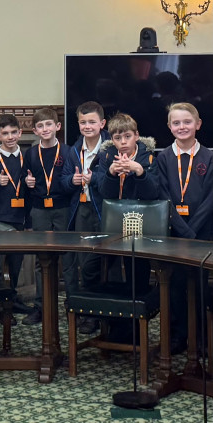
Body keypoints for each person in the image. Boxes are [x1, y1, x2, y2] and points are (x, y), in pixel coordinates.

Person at [94, 112, 159, 342]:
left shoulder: (148, 157)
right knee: (94, 269)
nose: (123, 142)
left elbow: (153, 193)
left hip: (139, 227)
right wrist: (111, 174)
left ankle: (133, 331)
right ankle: (112, 325)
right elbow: (103, 191)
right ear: (112, 138)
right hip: (111, 227)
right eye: (118, 137)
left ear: (136, 136)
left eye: (128, 136)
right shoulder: (106, 156)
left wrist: (138, 172)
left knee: (136, 274)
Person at [156, 102, 213, 354]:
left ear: (198, 124)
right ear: (169, 127)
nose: (182, 127)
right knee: (175, 285)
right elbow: (162, 195)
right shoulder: (163, 157)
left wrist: (192, 230)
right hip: (174, 233)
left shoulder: (210, 157)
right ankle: (178, 336)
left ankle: (201, 339)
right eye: (176, 123)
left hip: (202, 234)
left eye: (187, 122)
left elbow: (211, 198)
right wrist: (181, 228)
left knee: (200, 284)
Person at [61, 101, 109, 334]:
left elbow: (112, 181)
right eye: (83, 122)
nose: (87, 126)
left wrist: (94, 179)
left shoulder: (110, 147)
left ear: (102, 123)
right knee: (84, 262)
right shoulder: (73, 149)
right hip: (81, 210)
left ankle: (108, 313)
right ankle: (89, 314)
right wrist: (73, 180)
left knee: (106, 261)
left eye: (92, 122)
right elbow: (63, 179)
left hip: (105, 211)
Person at [22, 107, 73, 325]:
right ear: (35, 130)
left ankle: (73, 306)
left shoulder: (68, 151)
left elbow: (71, 180)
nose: (45, 129)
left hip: (63, 208)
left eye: (49, 124)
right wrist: (28, 183)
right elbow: (26, 180)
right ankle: (41, 307)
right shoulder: (31, 153)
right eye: (40, 126)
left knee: (68, 258)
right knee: (40, 259)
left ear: (57, 127)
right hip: (40, 208)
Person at [0, 114, 32, 324]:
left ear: (20, 133)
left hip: (18, 218)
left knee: (15, 263)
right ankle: (0, 305)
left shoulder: (28, 157)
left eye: (14, 132)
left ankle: (12, 299)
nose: (10, 137)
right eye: (5, 133)